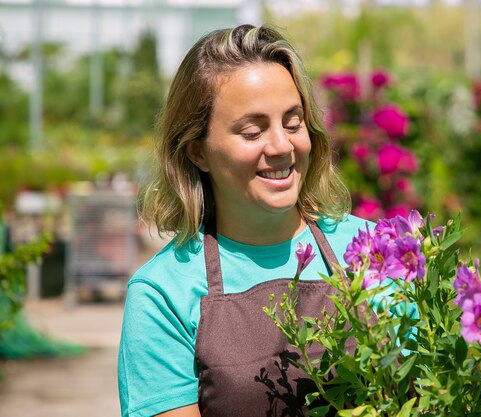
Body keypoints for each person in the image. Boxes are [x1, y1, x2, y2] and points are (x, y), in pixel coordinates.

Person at [117, 24, 369, 417]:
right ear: (198, 151)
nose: (282, 146)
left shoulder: (372, 250)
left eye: (292, 122)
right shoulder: (162, 294)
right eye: (252, 131)